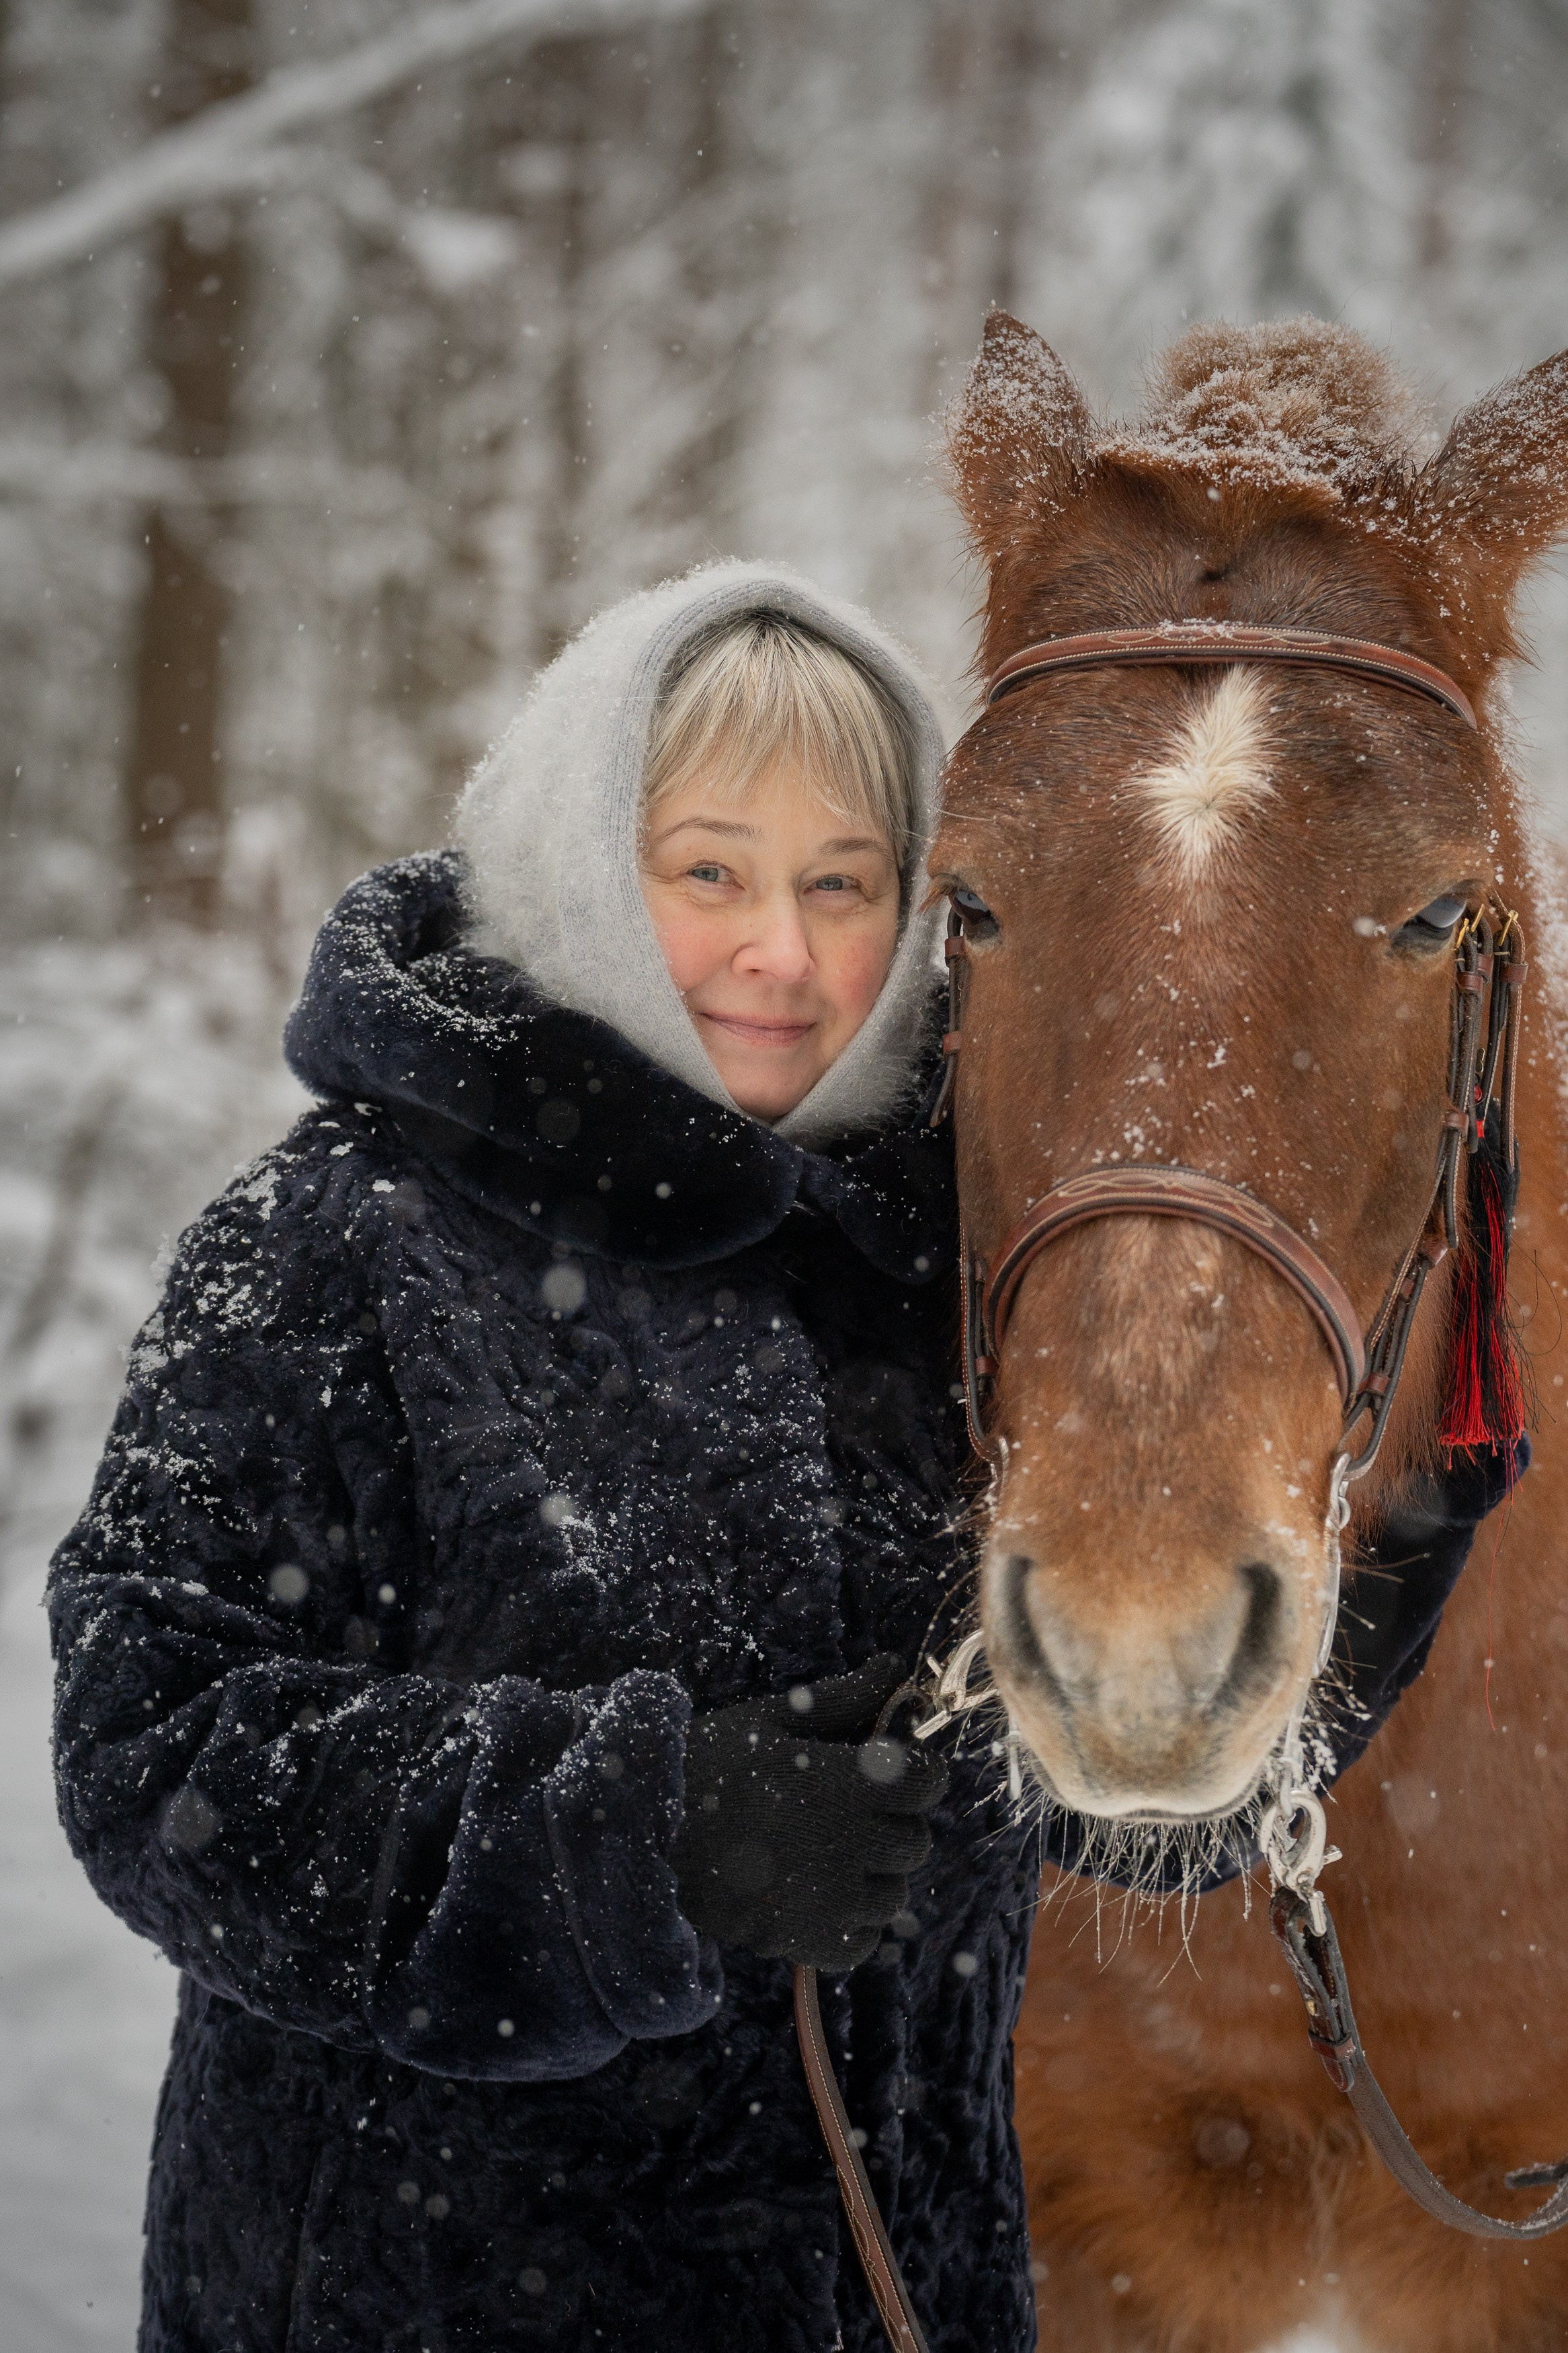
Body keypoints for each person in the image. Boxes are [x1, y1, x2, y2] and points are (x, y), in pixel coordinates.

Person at [48, 559, 1515, 2353]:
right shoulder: (337, 1235)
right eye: (711, 873)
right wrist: (637, 1837)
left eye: (848, 885)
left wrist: (1418, 1516)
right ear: (587, 862)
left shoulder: (936, 1270)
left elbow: (1107, 1793)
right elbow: (156, 1752)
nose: (787, 953)